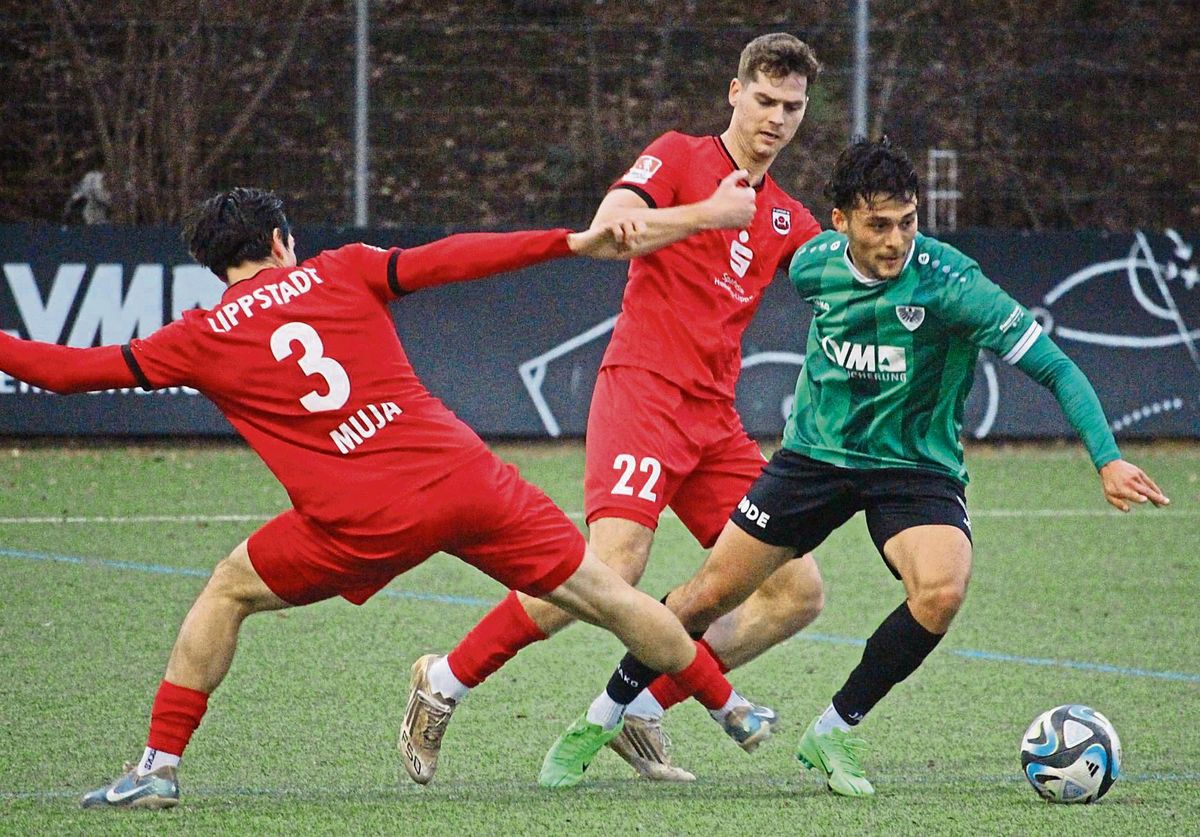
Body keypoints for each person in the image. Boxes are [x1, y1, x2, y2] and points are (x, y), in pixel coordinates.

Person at [0, 187, 773, 810]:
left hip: (358, 521)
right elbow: (454, 259)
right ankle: (728, 704)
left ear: (218, 266)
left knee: (227, 588)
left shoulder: (198, 335)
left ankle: (158, 766)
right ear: (279, 242)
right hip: (462, 476)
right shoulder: (341, 269)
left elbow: (65, 371)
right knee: (603, 589)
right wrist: (566, 242)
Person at [554, 136, 1170, 795]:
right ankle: (603, 714)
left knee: (941, 587)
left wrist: (1107, 458)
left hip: (915, 466)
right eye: (878, 224)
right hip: (814, 458)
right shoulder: (813, 264)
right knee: (709, 593)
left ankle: (834, 729)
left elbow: (1055, 366)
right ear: (841, 220)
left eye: (907, 222)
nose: (896, 239)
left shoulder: (953, 284)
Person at [400, 32, 828, 789]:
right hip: (641, 390)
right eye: (763, 100)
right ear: (734, 93)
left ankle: (642, 708)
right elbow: (612, 228)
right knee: (613, 564)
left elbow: (849, 290)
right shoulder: (679, 157)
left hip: (714, 423)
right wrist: (707, 213)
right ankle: (444, 681)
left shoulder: (791, 220)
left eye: (791, 107)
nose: (776, 118)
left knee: (796, 590)